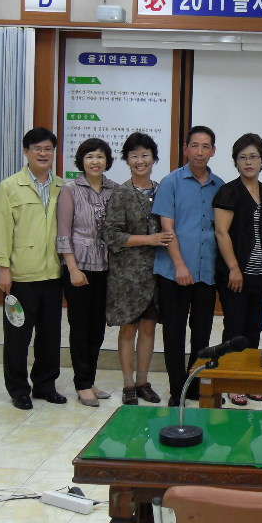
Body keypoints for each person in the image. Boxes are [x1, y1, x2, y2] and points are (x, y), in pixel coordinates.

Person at [0, 127, 65, 410]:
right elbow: (0, 230)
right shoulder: (9, 187)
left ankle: (45, 385)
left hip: (53, 274)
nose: (43, 154)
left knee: (50, 336)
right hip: (20, 275)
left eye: (48, 149)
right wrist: (3, 267)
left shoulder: (62, 187)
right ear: (26, 152)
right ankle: (19, 389)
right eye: (37, 149)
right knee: (18, 336)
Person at [153, 125, 224, 406]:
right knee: (174, 332)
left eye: (206, 146)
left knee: (202, 333)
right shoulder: (171, 182)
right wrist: (180, 265)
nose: (199, 152)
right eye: (194, 145)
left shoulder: (220, 185)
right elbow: (167, 228)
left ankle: (194, 386)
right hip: (174, 272)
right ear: (185, 149)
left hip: (206, 272)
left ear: (213, 151)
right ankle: (176, 390)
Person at [102, 132, 174, 406]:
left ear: (154, 159)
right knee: (128, 330)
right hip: (126, 276)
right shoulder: (120, 193)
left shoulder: (162, 190)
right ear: (127, 160)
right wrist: (149, 240)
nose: (140, 160)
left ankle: (143, 382)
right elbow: (111, 235)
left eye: (145, 155)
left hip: (156, 273)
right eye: (134, 156)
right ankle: (128, 384)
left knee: (148, 329)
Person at [213, 133, 262, 406]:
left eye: (253, 157)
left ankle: (249, 380)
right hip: (235, 275)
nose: (248, 162)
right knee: (235, 329)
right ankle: (232, 382)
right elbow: (221, 232)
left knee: (253, 330)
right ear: (235, 162)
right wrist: (234, 268)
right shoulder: (228, 191)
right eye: (242, 157)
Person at [57, 138, 117, 407]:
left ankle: (90, 380)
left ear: (107, 161)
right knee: (80, 328)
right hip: (78, 267)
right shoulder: (70, 190)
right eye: (90, 156)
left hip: (105, 268)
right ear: (82, 160)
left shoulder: (114, 190)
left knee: (97, 329)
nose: (95, 161)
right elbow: (63, 233)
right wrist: (72, 268)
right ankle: (81, 384)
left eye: (100, 157)